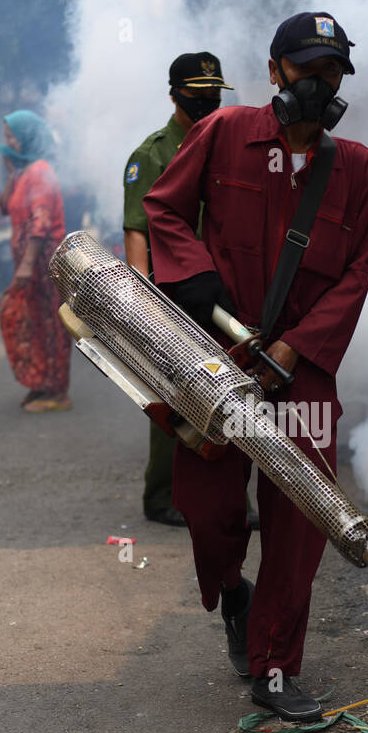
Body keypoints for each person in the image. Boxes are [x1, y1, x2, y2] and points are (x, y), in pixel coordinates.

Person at [144, 11, 368, 721]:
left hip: (301, 372)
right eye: (306, 68)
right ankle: (233, 596)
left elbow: (357, 273)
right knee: (209, 512)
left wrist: (295, 347)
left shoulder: (359, 170)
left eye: (332, 70)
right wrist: (197, 278)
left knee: (298, 524)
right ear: (275, 70)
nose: (320, 81)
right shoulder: (223, 135)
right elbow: (164, 211)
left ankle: (275, 667)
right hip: (216, 360)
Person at [123, 52, 232, 527]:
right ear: (174, 94)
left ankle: (230, 499)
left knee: (231, 391)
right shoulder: (152, 154)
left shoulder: (229, 144)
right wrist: (142, 302)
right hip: (171, 291)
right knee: (172, 394)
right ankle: (161, 495)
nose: (206, 102)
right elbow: (136, 228)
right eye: (196, 94)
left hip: (223, 288)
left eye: (213, 94)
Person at [0, 109, 72, 412]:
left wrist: (28, 265)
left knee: (50, 326)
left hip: (45, 265)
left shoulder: (41, 171)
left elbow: (40, 222)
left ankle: (56, 393)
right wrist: (11, 170)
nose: (8, 142)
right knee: (29, 324)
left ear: (27, 136)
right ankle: (40, 384)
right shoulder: (24, 173)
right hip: (30, 265)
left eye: (11, 137)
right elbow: (4, 207)